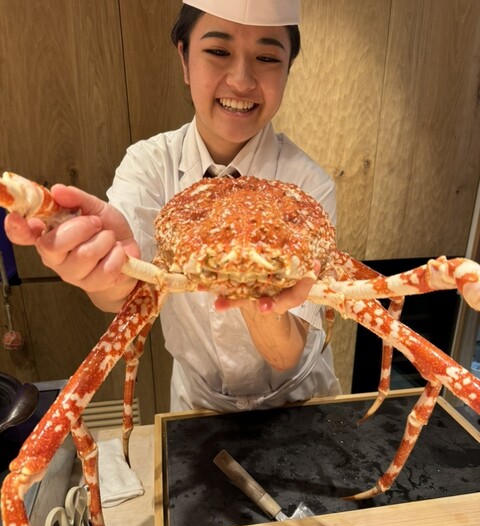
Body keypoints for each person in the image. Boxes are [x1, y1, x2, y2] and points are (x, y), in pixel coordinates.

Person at [5, 0, 341, 412]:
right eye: (217, 51)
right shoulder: (149, 165)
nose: (241, 80)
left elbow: (286, 355)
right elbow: (119, 292)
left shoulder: (306, 191)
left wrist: (252, 277)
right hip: (197, 408)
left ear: (288, 69)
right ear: (184, 59)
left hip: (303, 402)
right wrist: (101, 266)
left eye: (268, 58)